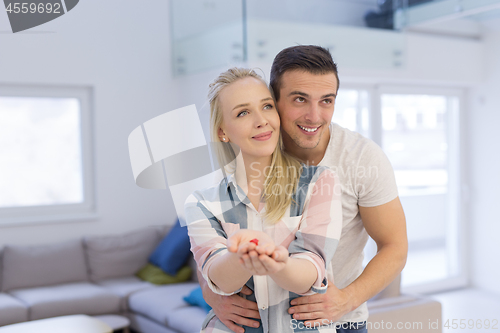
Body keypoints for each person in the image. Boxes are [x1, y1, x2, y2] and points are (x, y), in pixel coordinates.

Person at [199, 46, 408, 333]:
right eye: (300, 99)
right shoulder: (255, 143)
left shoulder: (362, 158)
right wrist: (212, 293)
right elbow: (212, 236)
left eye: (326, 101)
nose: (314, 116)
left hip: (336, 319)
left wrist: (346, 300)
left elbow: (395, 247)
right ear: (274, 98)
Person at [184, 68, 344, 332]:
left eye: (267, 106)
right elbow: (219, 279)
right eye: (243, 112)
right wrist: (243, 255)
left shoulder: (319, 182)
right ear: (223, 132)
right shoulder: (201, 203)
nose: (261, 121)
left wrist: (278, 262)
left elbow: (312, 270)